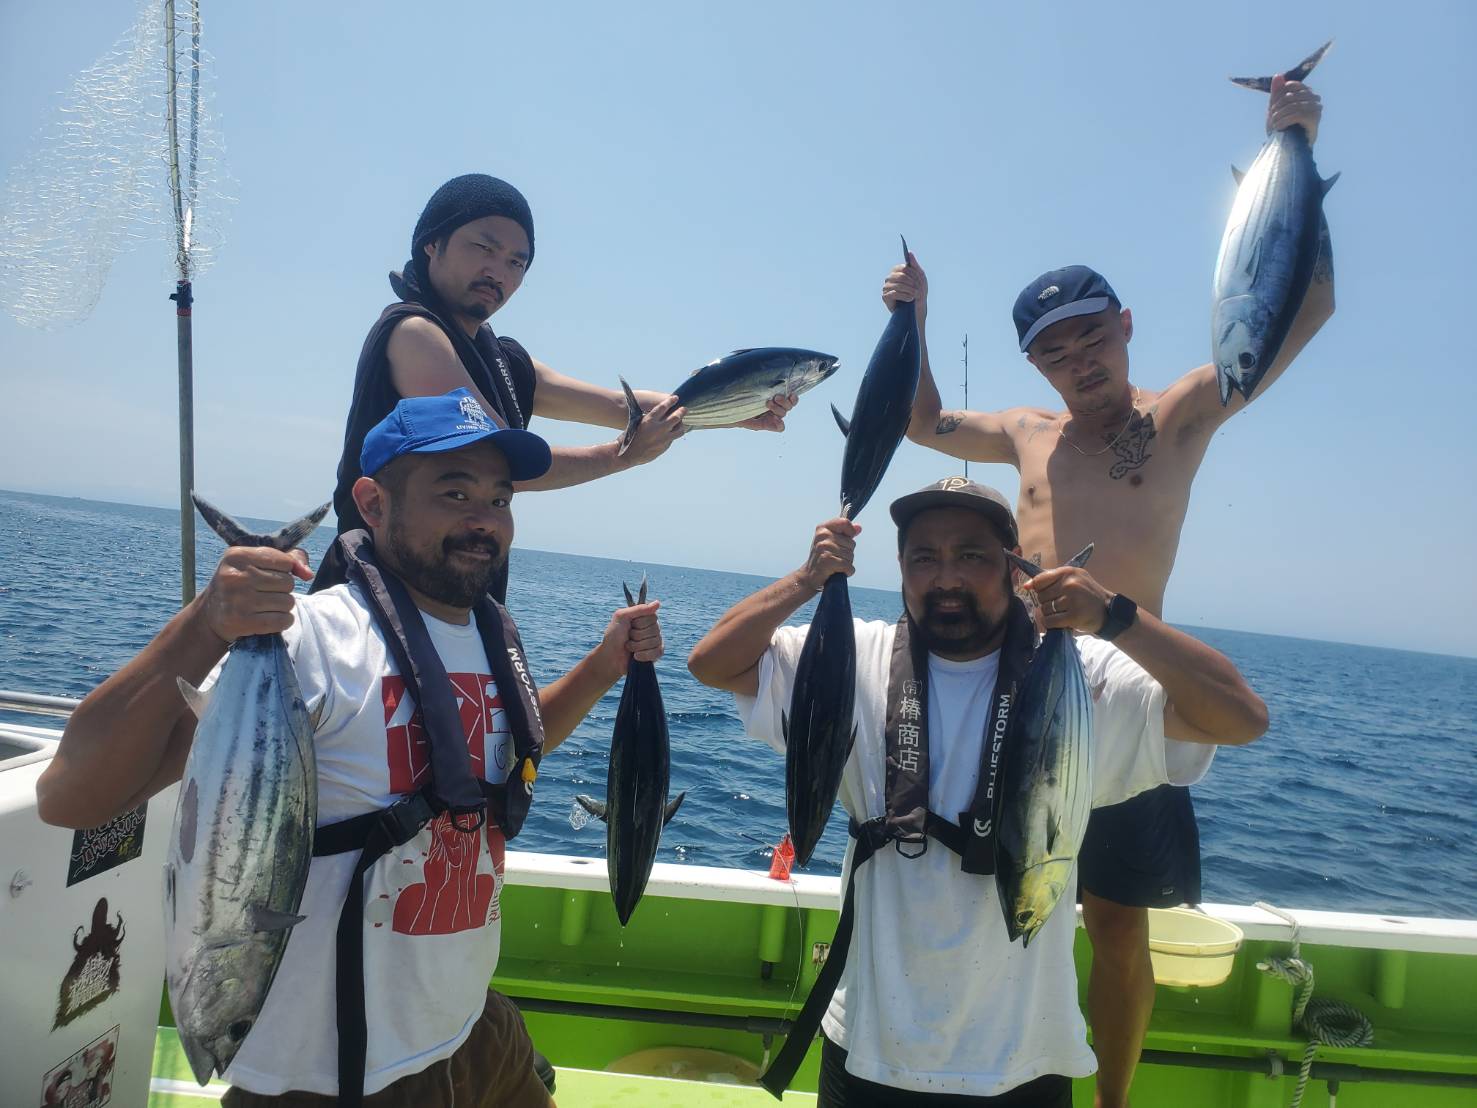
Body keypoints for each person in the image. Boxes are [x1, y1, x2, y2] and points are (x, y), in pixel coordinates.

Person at [883, 74, 1331, 1106]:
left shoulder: (1180, 411)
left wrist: (1295, 147)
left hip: (1129, 693)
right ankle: (983, 1066)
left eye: (1091, 336)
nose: (1075, 360)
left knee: (1116, 919)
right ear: (1033, 363)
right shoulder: (1024, 435)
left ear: (1125, 326)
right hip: (1020, 682)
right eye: (1052, 349)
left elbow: (1308, 303)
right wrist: (913, 316)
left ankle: (1113, 1100)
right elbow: (920, 422)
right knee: (1000, 887)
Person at [37, 389, 667, 1107]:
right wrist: (206, 624)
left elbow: (494, 760)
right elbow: (70, 797)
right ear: (371, 503)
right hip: (330, 1078)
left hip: (475, 1030)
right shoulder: (310, 639)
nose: (482, 520)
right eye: (452, 491)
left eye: (498, 499)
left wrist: (602, 664)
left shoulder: (490, 636)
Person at [687, 477, 1267, 1107]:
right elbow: (712, 663)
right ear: (902, 569)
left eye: (971, 556)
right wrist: (808, 579)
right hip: (868, 1051)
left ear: (1015, 570)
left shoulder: (1091, 676)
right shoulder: (853, 653)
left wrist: (1115, 616)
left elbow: (1240, 718)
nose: (946, 578)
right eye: (924, 558)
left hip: (1025, 1062)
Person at [326, 172, 798, 601]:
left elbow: (619, 404)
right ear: (433, 244)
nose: (500, 272)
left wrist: (738, 412)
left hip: (459, 608)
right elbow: (503, 465)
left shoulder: (504, 358)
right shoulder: (415, 333)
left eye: (517, 261)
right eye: (483, 248)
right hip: (378, 603)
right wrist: (624, 456)